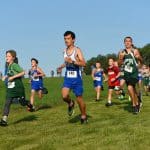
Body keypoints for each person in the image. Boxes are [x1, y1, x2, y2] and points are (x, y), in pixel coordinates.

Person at [57, 31, 87, 124]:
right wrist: (61, 67)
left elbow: (83, 63)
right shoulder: (64, 51)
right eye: (65, 39)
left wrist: (73, 62)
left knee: (79, 98)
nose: (66, 41)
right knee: (64, 96)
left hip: (77, 77)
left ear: (73, 39)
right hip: (68, 77)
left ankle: (83, 116)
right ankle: (70, 103)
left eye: (68, 39)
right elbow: (67, 62)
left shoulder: (77, 50)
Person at [0, 50, 30, 126]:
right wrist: (5, 77)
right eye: (6, 56)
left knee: (22, 103)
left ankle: (29, 104)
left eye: (9, 56)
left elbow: (23, 72)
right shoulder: (9, 66)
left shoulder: (14, 65)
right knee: (7, 103)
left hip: (18, 87)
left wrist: (13, 77)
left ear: (13, 58)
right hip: (10, 88)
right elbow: (9, 73)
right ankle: (4, 120)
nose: (7, 57)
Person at [118, 36, 142, 114]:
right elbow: (119, 64)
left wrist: (139, 57)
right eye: (126, 41)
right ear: (124, 43)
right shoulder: (122, 52)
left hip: (134, 72)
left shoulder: (135, 51)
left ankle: (134, 105)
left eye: (129, 41)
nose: (127, 42)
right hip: (127, 73)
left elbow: (141, 61)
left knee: (129, 87)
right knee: (132, 89)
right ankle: (137, 101)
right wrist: (121, 59)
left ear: (131, 43)